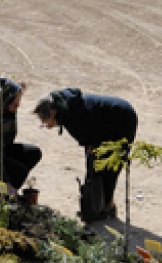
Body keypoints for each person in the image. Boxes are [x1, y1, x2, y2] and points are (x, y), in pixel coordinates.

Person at [33, 89, 138, 220]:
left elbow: (99, 131)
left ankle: (108, 206)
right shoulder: (67, 112)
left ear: (53, 112)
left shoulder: (73, 117)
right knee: (94, 163)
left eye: (45, 119)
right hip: (104, 122)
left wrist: (96, 146)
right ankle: (95, 205)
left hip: (122, 119)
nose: (45, 125)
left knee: (110, 165)